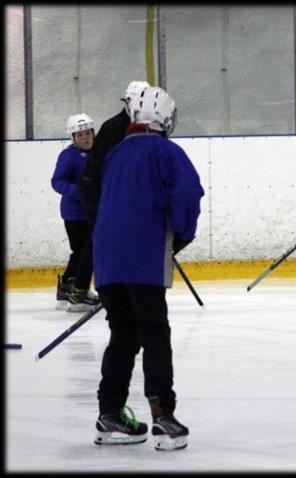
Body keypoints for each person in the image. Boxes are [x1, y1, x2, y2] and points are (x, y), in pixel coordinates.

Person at [92, 86, 204, 451]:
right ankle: (163, 416)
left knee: (123, 333)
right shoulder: (166, 151)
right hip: (143, 257)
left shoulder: (116, 153)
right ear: (166, 118)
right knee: (154, 331)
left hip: (107, 259)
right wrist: (180, 238)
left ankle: (109, 413)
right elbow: (188, 196)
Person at [77, 80, 150, 230]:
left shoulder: (149, 126)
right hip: (101, 197)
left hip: (125, 199)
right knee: (101, 247)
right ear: (128, 102)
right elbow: (98, 169)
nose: (145, 107)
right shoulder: (112, 128)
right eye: (141, 102)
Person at [51, 114, 100, 312]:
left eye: (88, 133)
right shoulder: (68, 156)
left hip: (93, 211)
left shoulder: (99, 152)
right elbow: (57, 181)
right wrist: (78, 192)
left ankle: (68, 286)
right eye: (80, 135)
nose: (86, 138)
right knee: (83, 251)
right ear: (73, 137)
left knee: (81, 251)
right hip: (75, 214)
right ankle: (78, 290)